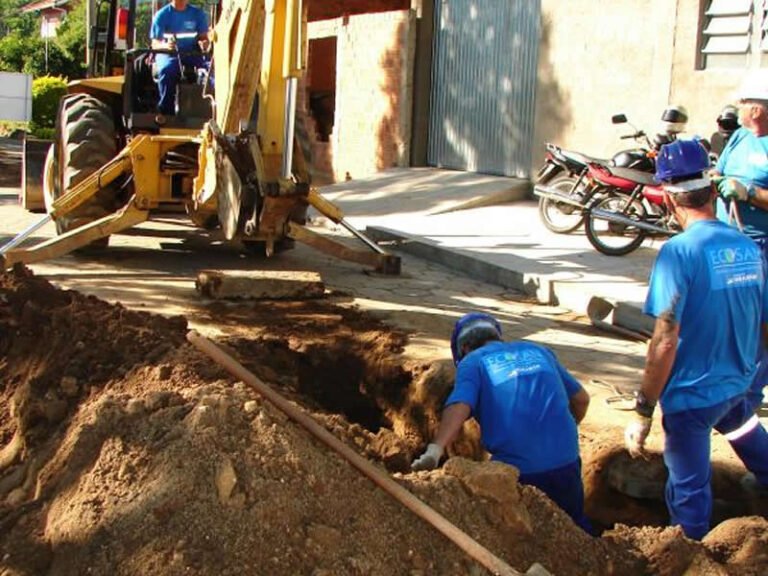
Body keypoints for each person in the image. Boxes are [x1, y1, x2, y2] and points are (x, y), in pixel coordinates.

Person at [624, 139, 768, 541]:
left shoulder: (678, 253)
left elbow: (665, 342)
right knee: (742, 429)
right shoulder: (746, 245)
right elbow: (764, 322)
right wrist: (746, 369)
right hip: (735, 385)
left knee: (688, 490)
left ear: (669, 201)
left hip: (691, 397)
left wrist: (642, 409)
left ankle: (690, 553)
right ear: (710, 189)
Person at [411, 312, 592, 533]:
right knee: (574, 529)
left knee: (519, 535)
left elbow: (460, 404)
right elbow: (582, 399)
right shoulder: (538, 351)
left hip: (519, 473)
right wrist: (564, 433)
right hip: (568, 463)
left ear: (464, 349)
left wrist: (435, 448)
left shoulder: (473, 361)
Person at [711, 71, 768, 413]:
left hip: (763, 246)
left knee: (761, 324)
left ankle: (749, 394)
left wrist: (750, 193)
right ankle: (725, 385)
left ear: (758, 108)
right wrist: (717, 180)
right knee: (727, 319)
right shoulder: (739, 138)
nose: (740, 108)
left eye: (744, 103)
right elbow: (720, 170)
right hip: (729, 243)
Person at [150, 0, 210, 115]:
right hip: (168, 54)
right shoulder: (162, 15)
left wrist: (205, 43)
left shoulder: (198, 14)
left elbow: (204, 38)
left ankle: (210, 110)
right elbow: (155, 43)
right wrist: (165, 46)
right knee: (167, 70)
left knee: (211, 70)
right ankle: (166, 111)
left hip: (193, 53)